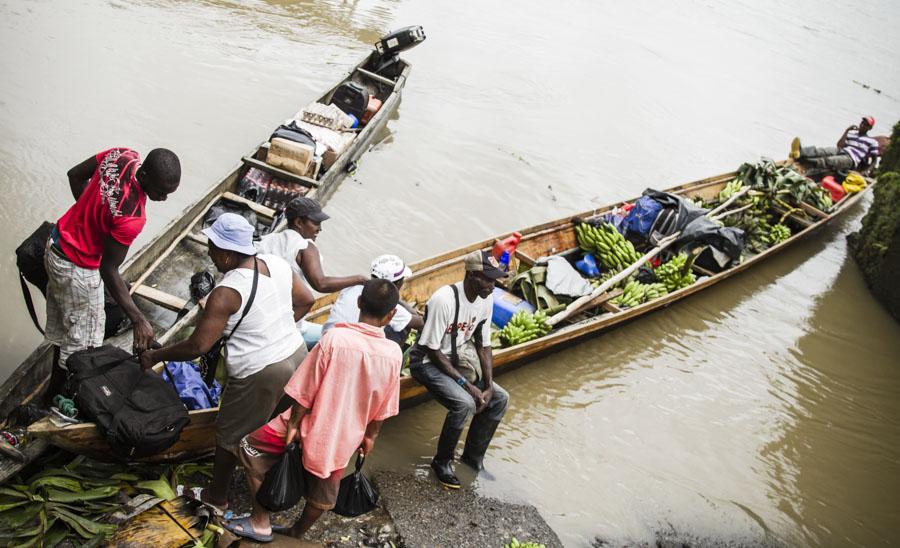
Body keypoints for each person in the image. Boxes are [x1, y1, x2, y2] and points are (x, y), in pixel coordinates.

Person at [139, 213, 314, 517]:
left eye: (212, 246)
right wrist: (276, 329)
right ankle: (264, 477)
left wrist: (156, 355)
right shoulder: (276, 263)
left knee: (229, 435)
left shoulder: (226, 291)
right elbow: (307, 299)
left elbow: (198, 346)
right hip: (296, 355)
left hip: (261, 373)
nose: (208, 252)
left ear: (228, 252)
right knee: (268, 424)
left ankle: (216, 497)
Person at [225, 279, 403, 542]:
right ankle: (297, 533)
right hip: (345, 438)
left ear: (359, 303)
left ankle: (261, 520)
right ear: (392, 315)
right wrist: (370, 437)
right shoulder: (394, 354)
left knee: (249, 448)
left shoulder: (335, 339)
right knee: (323, 492)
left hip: (310, 424)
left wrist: (294, 425)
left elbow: (305, 391)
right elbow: (382, 409)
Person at [44, 147, 181, 400]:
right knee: (83, 353)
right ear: (146, 173)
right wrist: (139, 319)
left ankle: (51, 390)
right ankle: (58, 401)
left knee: (64, 334)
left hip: (55, 247)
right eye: (160, 191)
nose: (162, 199)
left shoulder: (121, 155)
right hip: (77, 271)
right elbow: (108, 269)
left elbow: (75, 175)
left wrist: (89, 218)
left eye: (168, 194)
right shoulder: (132, 217)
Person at [409, 250, 510, 489]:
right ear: (472, 275)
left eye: (495, 281)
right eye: (488, 280)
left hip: (456, 359)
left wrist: (486, 386)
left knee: (499, 398)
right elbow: (433, 351)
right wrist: (468, 387)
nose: (493, 286)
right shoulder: (444, 300)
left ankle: (473, 460)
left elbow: (483, 345)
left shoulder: (485, 300)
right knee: (464, 403)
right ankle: (442, 462)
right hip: (427, 362)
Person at [255, 196, 368, 347]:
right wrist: (359, 279)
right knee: (336, 339)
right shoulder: (305, 246)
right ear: (298, 222)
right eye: (316, 223)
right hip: (288, 325)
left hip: (262, 313)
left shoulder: (268, 239)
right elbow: (321, 284)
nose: (319, 229)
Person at [322, 254, 424, 345]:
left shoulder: (351, 287)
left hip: (327, 338)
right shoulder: (388, 304)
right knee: (404, 328)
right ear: (398, 284)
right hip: (350, 345)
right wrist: (396, 297)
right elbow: (420, 322)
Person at [790, 116, 881, 171]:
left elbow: (874, 161)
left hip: (851, 159)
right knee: (823, 151)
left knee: (830, 160)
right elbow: (839, 145)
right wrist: (847, 131)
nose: (862, 125)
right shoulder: (851, 134)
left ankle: (805, 161)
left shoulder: (872, 142)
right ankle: (800, 152)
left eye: (866, 125)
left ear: (870, 128)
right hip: (842, 150)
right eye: (862, 123)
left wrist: (865, 170)